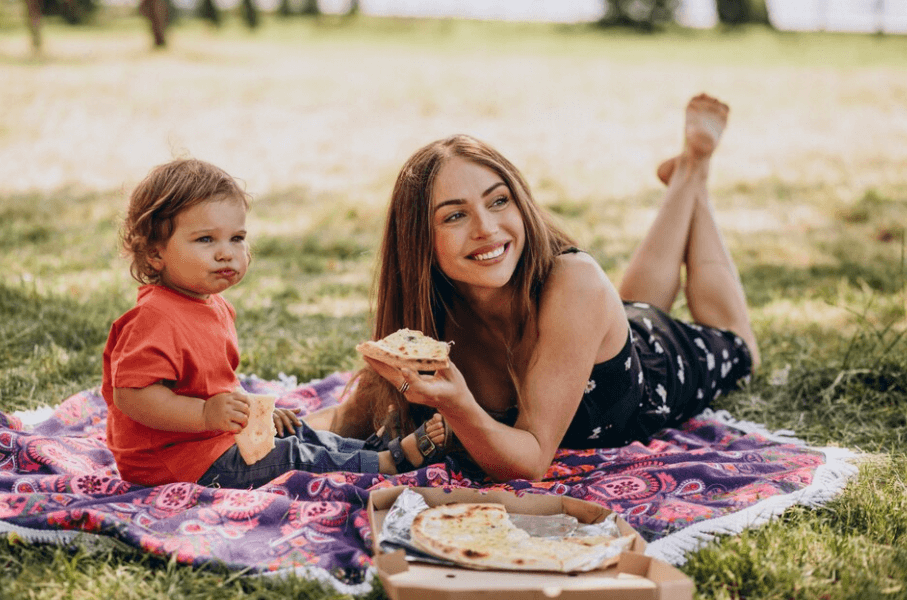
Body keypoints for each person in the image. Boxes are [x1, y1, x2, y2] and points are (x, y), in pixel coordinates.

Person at [310, 94, 760, 483]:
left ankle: (693, 171)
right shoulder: (427, 320)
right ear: (418, 243)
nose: (487, 228)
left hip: (656, 370)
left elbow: (531, 462)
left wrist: (461, 407)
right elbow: (344, 420)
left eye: (498, 200)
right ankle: (686, 176)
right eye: (454, 215)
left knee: (739, 346)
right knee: (629, 305)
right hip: (596, 328)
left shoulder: (574, 283)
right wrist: (269, 425)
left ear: (520, 202)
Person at [101, 158, 445, 489]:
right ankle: (386, 465)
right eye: (206, 239)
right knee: (291, 456)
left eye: (236, 238)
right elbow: (133, 396)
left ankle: (374, 451)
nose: (226, 253)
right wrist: (206, 414)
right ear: (155, 253)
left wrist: (251, 410)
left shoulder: (212, 305)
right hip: (176, 463)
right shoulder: (153, 318)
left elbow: (211, 383)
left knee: (294, 432)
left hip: (213, 439)